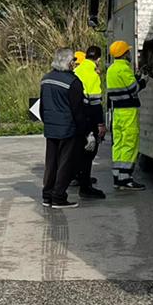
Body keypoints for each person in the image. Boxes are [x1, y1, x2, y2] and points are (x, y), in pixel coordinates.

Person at [38, 48, 90, 208]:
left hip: (51, 128)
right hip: (67, 129)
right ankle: (59, 197)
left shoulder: (45, 79)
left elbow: (42, 106)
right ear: (68, 62)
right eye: (73, 60)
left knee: (51, 163)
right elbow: (78, 110)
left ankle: (47, 195)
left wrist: (47, 122)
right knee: (65, 163)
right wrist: (85, 131)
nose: (75, 63)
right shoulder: (73, 82)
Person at [105, 40, 145, 191]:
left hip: (117, 112)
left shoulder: (111, 69)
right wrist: (143, 80)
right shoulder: (124, 69)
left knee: (119, 144)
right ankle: (126, 178)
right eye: (128, 51)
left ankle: (117, 176)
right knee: (130, 143)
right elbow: (134, 88)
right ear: (124, 54)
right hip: (128, 111)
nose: (129, 53)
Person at [72, 44, 107, 200]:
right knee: (90, 151)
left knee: (79, 150)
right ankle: (85, 187)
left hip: (75, 117)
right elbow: (95, 103)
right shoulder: (93, 75)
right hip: (88, 118)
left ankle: (81, 178)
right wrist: (100, 124)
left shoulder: (77, 70)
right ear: (98, 59)